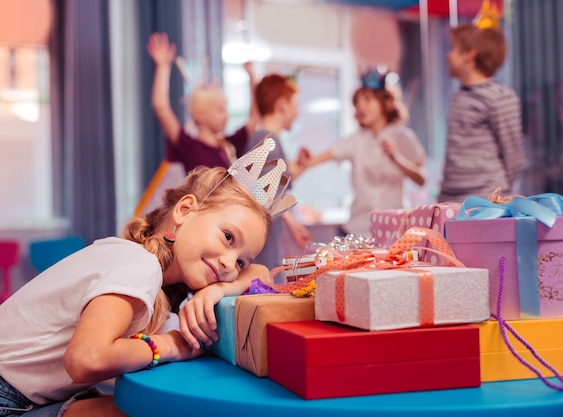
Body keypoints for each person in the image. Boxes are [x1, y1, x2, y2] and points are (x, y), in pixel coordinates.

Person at [0, 166, 271, 416]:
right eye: (228, 237)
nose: (231, 263)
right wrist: (170, 345)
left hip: (6, 394)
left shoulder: (157, 281)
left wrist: (217, 291)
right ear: (185, 210)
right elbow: (87, 359)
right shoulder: (138, 265)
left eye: (241, 261)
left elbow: (263, 273)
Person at [297, 68, 426, 236]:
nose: (360, 106)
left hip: (395, 231)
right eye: (357, 102)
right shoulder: (355, 140)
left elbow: (421, 179)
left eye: (367, 99)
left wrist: (397, 158)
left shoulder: (404, 138)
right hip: (357, 230)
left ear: (386, 103)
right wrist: (303, 162)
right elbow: (317, 160)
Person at [437, 22, 525, 203]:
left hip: (485, 197)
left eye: (453, 49)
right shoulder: (457, 97)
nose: (447, 56)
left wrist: (497, 191)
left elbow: (513, 155)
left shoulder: (500, 98)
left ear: (469, 55)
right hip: (450, 196)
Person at [147, 32, 259, 173]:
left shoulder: (229, 145)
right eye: (220, 110)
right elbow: (161, 107)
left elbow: (254, 118)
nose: (226, 115)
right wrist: (163, 67)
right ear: (199, 115)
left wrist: (252, 79)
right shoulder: (189, 146)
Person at [243, 72, 311, 270]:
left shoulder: (266, 139)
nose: (297, 113)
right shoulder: (268, 142)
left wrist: (300, 167)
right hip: (264, 243)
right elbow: (262, 193)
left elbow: (275, 185)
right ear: (282, 105)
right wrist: (291, 223)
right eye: (295, 105)